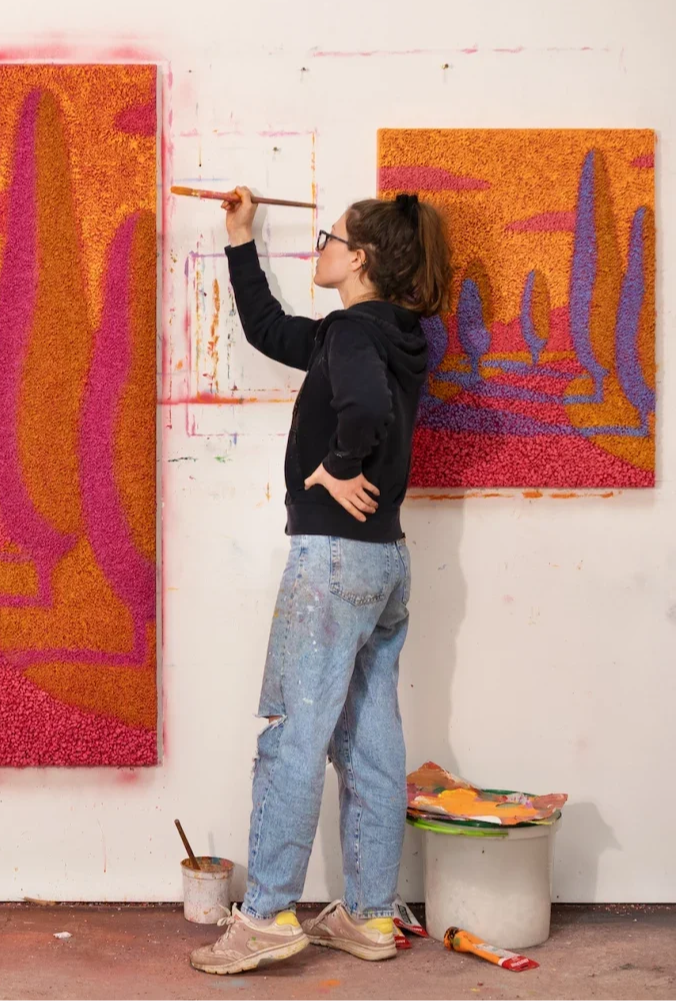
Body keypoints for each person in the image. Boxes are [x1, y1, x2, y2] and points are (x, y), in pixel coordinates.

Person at [190, 188, 451, 976]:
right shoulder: (389, 334)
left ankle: (267, 915)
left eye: (331, 238)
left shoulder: (350, 335)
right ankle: (370, 916)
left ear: (360, 258)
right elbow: (271, 332)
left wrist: (332, 469)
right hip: (385, 563)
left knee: (293, 738)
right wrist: (241, 241)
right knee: (370, 742)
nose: (320, 248)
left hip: (333, 560)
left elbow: (363, 410)